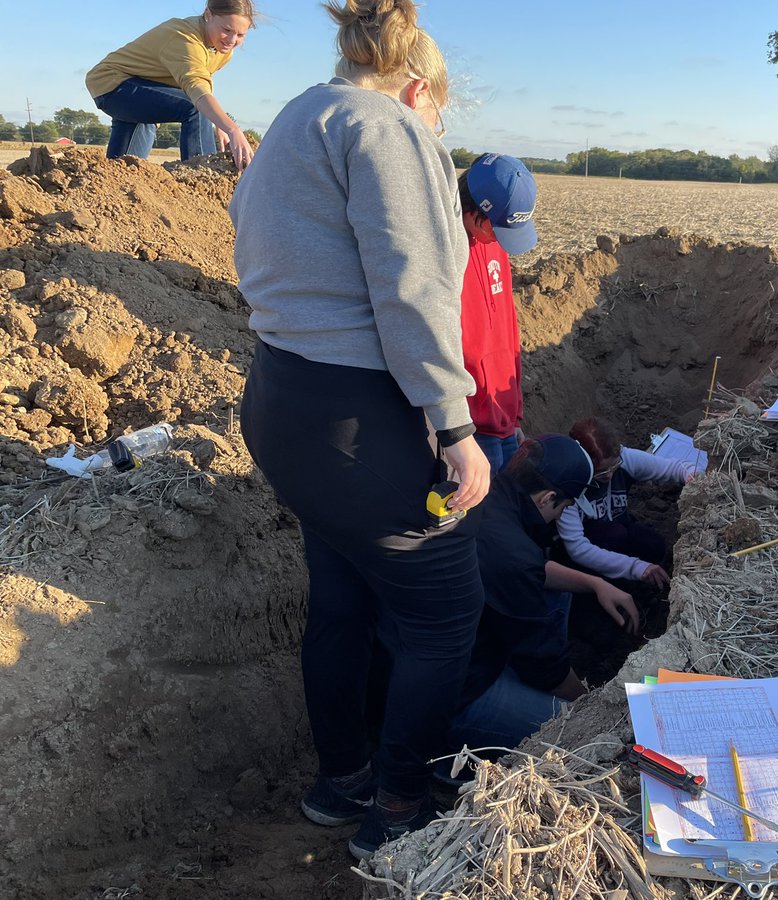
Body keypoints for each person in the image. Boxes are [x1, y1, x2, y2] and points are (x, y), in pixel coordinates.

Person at [229, 0, 489, 861]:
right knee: (448, 609)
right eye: (442, 108)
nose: (441, 122)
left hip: (282, 399)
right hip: (356, 418)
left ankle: (340, 780)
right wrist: (454, 425)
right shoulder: (388, 129)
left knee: (341, 596)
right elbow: (411, 285)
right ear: (420, 86)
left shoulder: (299, 116)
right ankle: (401, 803)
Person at [450, 435, 639, 755]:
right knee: (578, 732)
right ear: (547, 497)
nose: (561, 513)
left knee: (559, 595)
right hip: (458, 692)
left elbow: (533, 567)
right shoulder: (512, 558)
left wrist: (595, 584)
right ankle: (445, 762)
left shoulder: (493, 494)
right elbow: (544, 667)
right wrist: (592, 705)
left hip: (456, 643)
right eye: (564, 506)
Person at [86, 2, 257, 168]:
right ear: (208, 15)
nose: (232, 40)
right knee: (194, 108)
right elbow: (196, 88)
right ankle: (201, 180)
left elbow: (203, 81)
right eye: (226, 30)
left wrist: (219, 123)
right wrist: (232, 129)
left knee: (123, 171)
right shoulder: (185, 38)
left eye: (240, 35)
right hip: (114, 84)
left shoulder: (222, 50)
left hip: (144, 88)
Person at [458, 153, 539, 474]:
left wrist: (514, 412)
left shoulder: (493, 244)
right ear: (476, 218)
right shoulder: (443, 254)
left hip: (502, 417)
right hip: (469, 425)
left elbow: (506, 332)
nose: (503, 241)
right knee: (484, 518)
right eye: (500, 230)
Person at [559, 416, 698, 589]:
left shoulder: (624, 459)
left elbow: (673, 467)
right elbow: (577, 548)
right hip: (587, 548)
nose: (609, 476)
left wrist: (692, 475)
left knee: (655, 546)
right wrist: (636, 568)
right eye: (601, 473)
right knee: (614, 536)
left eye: (613, 467)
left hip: (619, 529)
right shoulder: (567, 488)